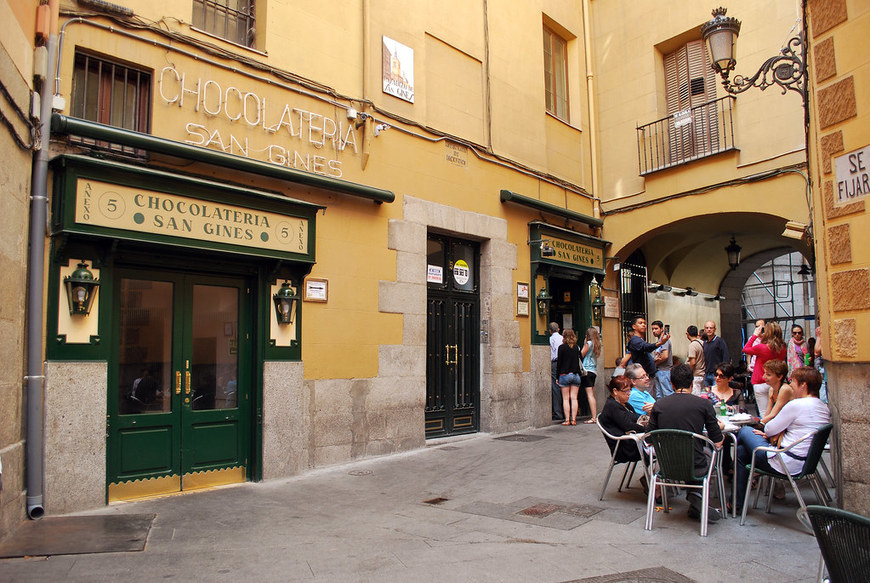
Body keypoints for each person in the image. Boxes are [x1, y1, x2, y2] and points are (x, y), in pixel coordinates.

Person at [733, 366, 830, 514]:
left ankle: (737, 502)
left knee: (744, 431)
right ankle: (736, 503)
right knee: (742, 452)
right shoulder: (823, 407)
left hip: (784, 461)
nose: (791, 385)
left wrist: (772, 433)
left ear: (803, 385)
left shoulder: (796, 405)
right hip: (805, 461)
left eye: (794, 382)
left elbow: (769, 429)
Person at [647, 363, 724, 522]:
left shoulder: (659, 405)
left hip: (667, 467)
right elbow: (717, 441)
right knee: (709, 453)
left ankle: (695, 498)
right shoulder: (704, 404)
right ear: (691, 383)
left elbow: (649, 438)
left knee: (688, 453)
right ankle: (696, 494)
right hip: (697, 466)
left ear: (672, 383)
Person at [598, 375, 647, 463]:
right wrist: (648, 429)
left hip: (631, 441)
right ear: (615, 391)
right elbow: (628, 425)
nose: (629, 393)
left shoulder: (625, 404)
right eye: (626, 391)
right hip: (624, 448)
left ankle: (650, 475)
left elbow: (635, 418)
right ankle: (655, 475)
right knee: (661, 448)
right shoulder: (612, 406)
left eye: (630, 390)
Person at [742, 321, 787, 417]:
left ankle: (765, 428)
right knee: (777, 411)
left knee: (764, 412)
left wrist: (754, 336)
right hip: (776, 382)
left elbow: (745, 349)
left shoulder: (761, 348)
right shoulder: (783, 348)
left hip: (760, 381)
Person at [556, 328, 584, 426]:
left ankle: (567, 420)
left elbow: (559, 363)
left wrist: (557, 377)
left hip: (564, 375)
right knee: (574, 398)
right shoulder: (577, 347)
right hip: (576, 375)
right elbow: (581, 359)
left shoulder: (562, 348)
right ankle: (574, 419)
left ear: (564, 336)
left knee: (565, 399)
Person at [758, 359, 793, 425]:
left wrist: (758, 423)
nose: (764, 377)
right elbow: (768, 413)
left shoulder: (785, 389)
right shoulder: (772, 389)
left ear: (779, 377)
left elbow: (773, 414)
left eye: (768, 375)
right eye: (764, 373)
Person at [580, 327, 602, 424]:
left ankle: (594, 417)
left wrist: (584, 344)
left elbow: (581, 354)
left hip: (587, 370)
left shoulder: (589, 344)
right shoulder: (597, 344)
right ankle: (594, 416)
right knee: (591, 394)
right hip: (593, 371)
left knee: (590, 395)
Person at [702, 321, 730, 388]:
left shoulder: (720, 341)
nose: (709, 330)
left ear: (715, 329)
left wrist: (722, 372)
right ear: (704, 329)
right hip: (707, 374)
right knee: (707, 396)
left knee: (717, 395)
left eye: (711, 328)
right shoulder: (705, 343)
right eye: (707, 328)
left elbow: (726, 357)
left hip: (717, 375)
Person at [650, 320, 673, 399]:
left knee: (667, 393)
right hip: (659, 370)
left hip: (664, 371)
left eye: (656, 328)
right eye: (652, 329)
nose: (654, 331)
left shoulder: (664, 341)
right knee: (659, 395)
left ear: (662, 329)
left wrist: (655, 362)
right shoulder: (660, 341)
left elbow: (665, 356)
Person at [549, 322, 565, 421]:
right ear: (558, 329)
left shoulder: (551, 339)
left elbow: (552, 353)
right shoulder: (563, 338)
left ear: (550, 331)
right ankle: (568, 411)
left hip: (555, 363)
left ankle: (558, 412)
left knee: (555, 386)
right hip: (565, 363)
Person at [686, 325, 706, 395]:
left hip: (696, 375)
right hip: (702, 374)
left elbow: (693, 362)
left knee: (695, 396)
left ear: (687, 334)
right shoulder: (702, 343)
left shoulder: (692, 345)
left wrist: (689, 373)